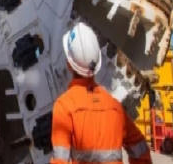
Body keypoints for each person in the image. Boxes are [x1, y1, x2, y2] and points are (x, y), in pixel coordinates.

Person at [50, 22, 151, 164]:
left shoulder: (64, 107)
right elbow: (140, 149)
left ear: (69, 64)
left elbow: (60, 161)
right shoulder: (115, 108)